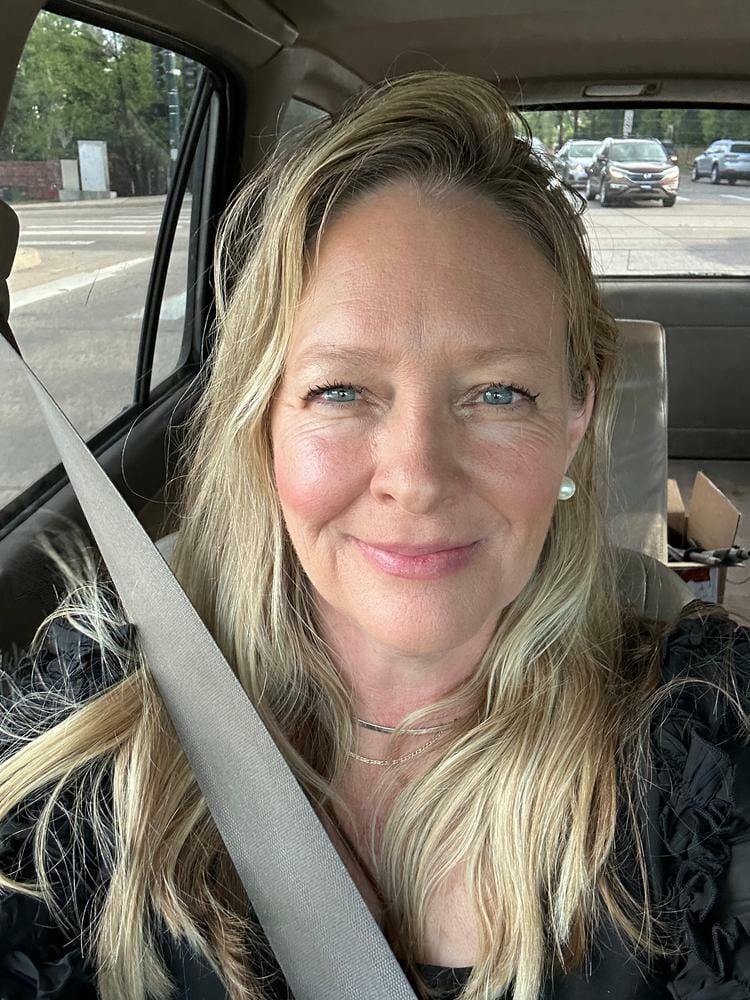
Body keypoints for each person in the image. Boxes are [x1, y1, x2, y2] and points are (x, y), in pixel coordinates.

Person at [1, 71, 749, 1000]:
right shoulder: (104, 727)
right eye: (341, 390)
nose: (416, 478)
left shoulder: (700, 755)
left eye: (497, 393)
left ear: (577, 413)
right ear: (263, 417)